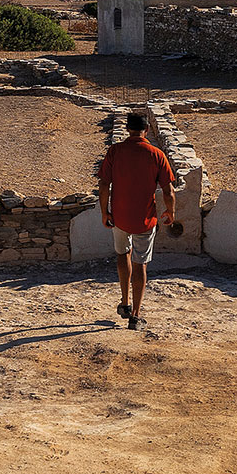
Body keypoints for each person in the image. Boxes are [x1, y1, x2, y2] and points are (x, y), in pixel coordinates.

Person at [97, 113, 176, 330]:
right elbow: (168, 190)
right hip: (145, 218)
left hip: (120, 216)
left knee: (123, 255)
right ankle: (136, 316)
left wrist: (105, 212)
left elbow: (104, 185)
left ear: (127, 129)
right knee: (140, 263)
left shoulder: (115, 151)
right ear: (147, 130)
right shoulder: (156, 154)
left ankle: (124, 303)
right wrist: (171, 212)